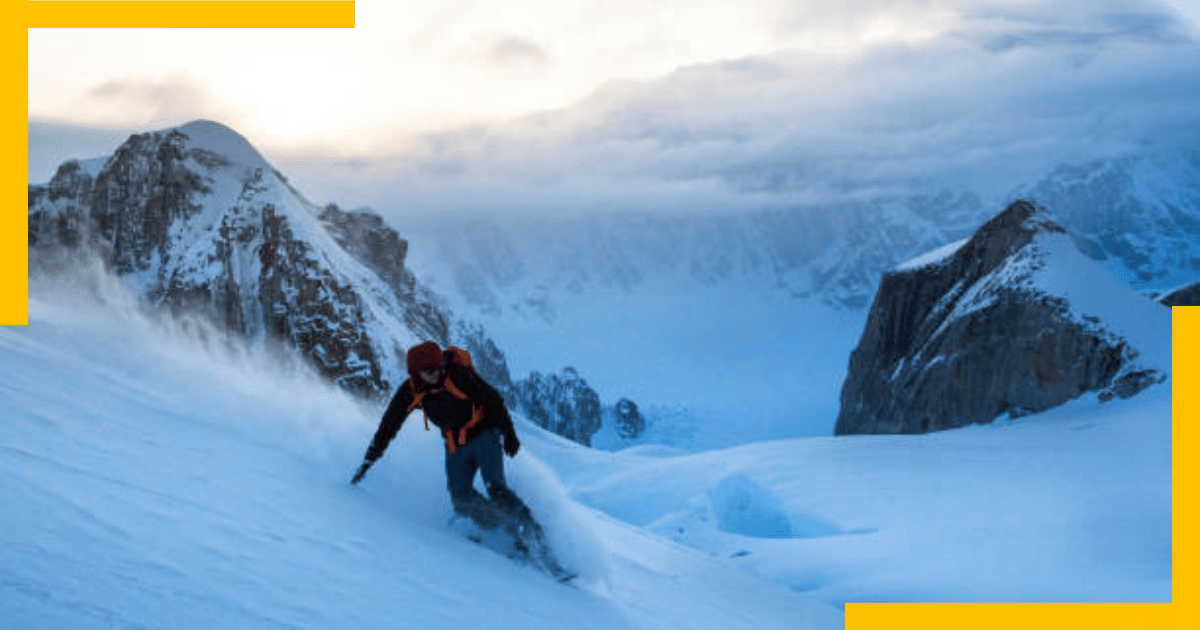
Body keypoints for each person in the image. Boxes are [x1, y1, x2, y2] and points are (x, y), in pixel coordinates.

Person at [350, 341, 537, 536]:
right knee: (460, 498)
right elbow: (388, 427)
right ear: (417, 373)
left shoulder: (458, 375)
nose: (436, 374)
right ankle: (502, 528)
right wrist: (368, 461)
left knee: (496, 488)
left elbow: (493, 400)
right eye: (429, 371)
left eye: (438, 368)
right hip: (455, 442)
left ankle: (532, 531)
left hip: (484, 432)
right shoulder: (410, 391)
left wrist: (509, 435)